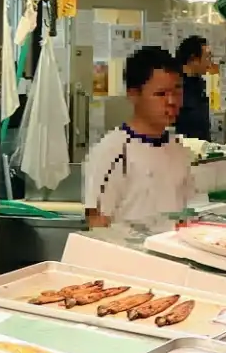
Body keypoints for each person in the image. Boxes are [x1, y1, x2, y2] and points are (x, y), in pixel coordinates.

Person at [85, 47, 199, 227]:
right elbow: (98, 224)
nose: (172, 101)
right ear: (134, 95)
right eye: (160, 94)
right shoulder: (112, 152)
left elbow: (189, 212)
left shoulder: (178, 149)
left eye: (177, 91)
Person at [174, 36, 216, 142]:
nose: (209, 63)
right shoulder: (173, 86)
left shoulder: (199, 83)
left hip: (202, 148)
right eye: (207, 57)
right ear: (193, 59)